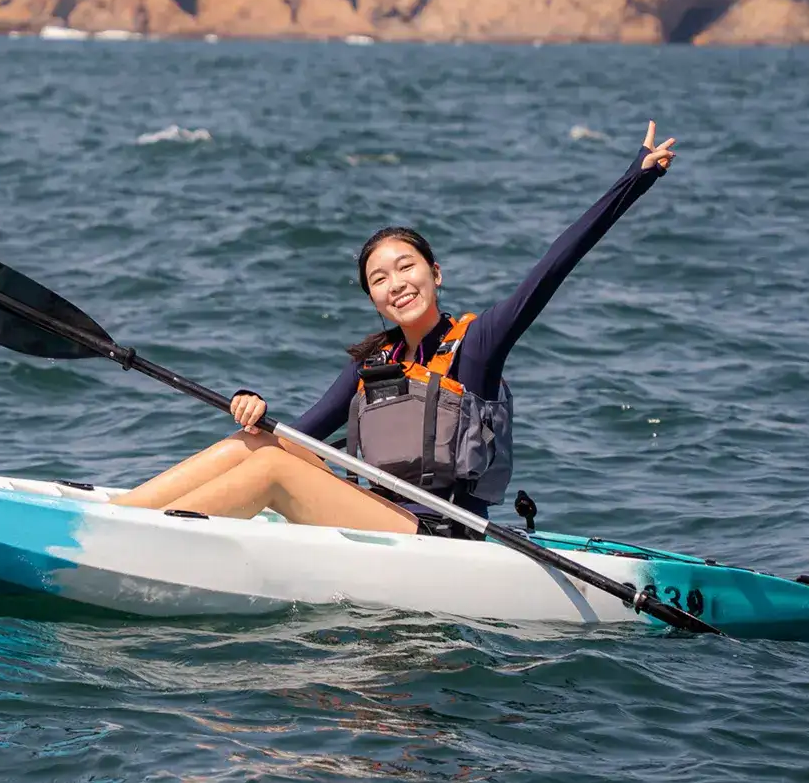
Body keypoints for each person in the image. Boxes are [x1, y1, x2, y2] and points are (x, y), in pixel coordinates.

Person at [110, 121, 678, 536]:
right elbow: (298, 436)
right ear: (374, 298)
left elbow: (554, 265)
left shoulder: (477, 344)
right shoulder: (372, 362)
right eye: (379, 278)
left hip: (435, 531)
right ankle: (123, 518)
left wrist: (635, 180)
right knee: (259, 445)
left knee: (275, 471)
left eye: (406, 267)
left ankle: (150, 537)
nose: (396, 283)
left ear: (435, 274)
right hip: (372, 512)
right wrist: (253, 406)